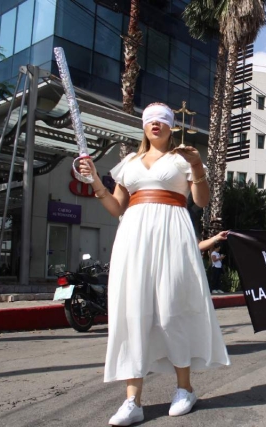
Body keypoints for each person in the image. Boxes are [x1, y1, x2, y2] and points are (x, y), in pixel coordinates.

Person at [79, 102, 230, 426]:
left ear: (171, 126)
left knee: (171, 309)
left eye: (163, 120)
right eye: (150, 120)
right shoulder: (128, 163)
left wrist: (199, 167)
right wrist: (94, 180)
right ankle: (132, 401)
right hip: (133, 238)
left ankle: (185, 389)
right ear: (144, 126)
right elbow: (117, 206)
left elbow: (201, 201)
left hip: (173, 235)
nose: (156, 124)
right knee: (133, 313)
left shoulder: (182, 159)